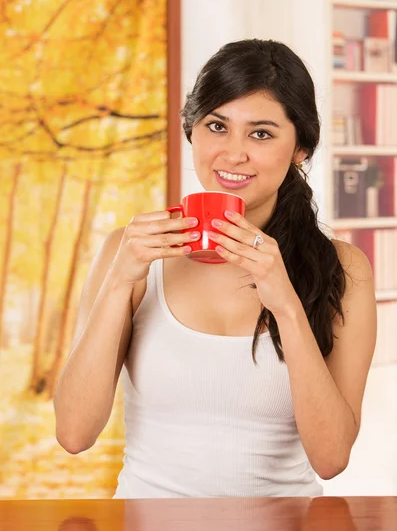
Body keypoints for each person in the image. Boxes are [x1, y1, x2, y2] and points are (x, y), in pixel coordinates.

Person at [54, 39, 377, 498]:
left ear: (301, 147)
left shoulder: (344, 270)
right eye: (217, 126)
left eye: (261, 133)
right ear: (192, 131)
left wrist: (285, 303)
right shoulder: (128, 253)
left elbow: (331, 459)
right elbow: (73, 433)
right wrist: (120, 282)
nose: (232, 153)